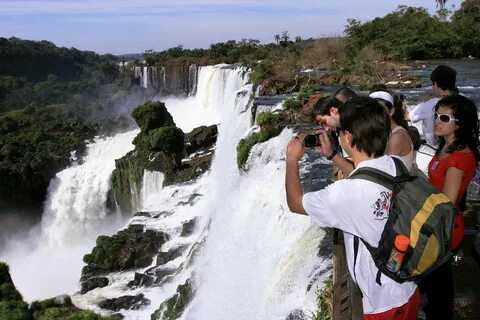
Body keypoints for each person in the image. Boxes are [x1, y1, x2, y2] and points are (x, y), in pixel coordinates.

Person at [286, 97, 420, 320]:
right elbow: (365, 175)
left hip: (382, 305)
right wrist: (332, 155)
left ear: (347, 137)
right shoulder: (395, 165)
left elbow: (295, 203)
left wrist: (292, 159)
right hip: (409, 289)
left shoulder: (344, 194)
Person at [419, 95, 479, 320]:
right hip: (436, 223)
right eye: (436, 116)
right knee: (436, 284)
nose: (437, 121)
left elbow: (447, 201)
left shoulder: (459, 158)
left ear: (459, 123)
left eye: (444, 118)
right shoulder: (445, 148)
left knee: (438, 289)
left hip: (443, 228)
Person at [409, 65, 458, 147]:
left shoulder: (430, 104)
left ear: (436, 83)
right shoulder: (466, 102)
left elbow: (409, 116)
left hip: (436, 148)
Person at [369, 90, 416, 172]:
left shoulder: (397, 136)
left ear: (391, 111)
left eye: (380, 110)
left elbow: (385, 171)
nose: (375, 114)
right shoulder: (383, 133)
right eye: (371, 110)